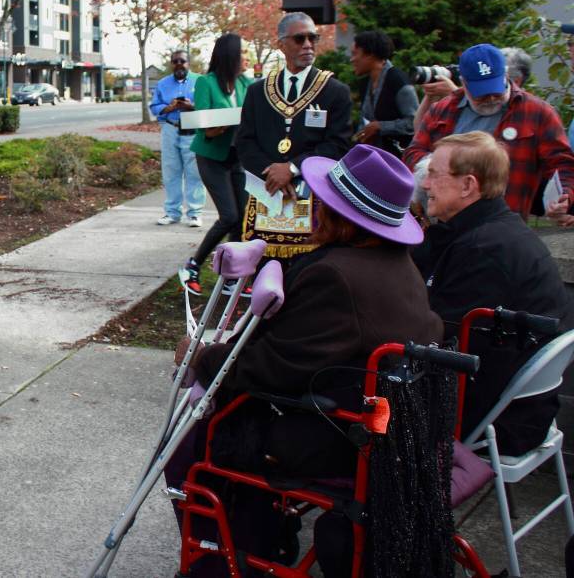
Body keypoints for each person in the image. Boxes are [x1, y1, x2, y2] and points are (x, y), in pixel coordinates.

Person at [179, 144, 442, 576]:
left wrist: (202, 355)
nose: (311, 206)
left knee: (200, 439)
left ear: (338, 214)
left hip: (349, 435)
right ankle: (256, 539)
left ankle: (226, 560)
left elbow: (272, 366)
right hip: (393, 423)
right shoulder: (399, 264)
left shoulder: (333, 275)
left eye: (320, 201)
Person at [412, 131, 574, 455]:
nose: (425, 185)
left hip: (498, 422)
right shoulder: (492, 230)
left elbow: (438, 340)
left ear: (468, 185)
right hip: (520, 408)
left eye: (433, 174)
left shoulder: (484, 251)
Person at [403, 43, 574, 223]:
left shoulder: (538, 113)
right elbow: (413, 152)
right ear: (464, 82)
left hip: (504, 225)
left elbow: (562, 163)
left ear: (506, 75)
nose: (491, 99)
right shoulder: (443, 110)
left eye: (495, 90)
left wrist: (564, 197)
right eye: (482, 94)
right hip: (444, 224)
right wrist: (433, 166)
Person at [235, 12, 353, 260]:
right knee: (265, 269)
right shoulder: (258, 92)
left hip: (313, 194)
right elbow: (244, 142)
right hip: (267, 193)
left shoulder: (335, 91)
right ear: (281, 44)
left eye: (313, 38)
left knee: (309, 271)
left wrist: (292, 168)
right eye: (300, 39)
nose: (308, 45)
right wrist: (272, 172)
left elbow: (338, 145)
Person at [181, 34, 255, 294]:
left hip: (236, 158)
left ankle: (231, 277)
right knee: (229, 216)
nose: (247, 58)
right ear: (230, 56)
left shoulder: (246, 84)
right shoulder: (206, 83)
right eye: (243, 53)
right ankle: (192, 265)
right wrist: (233, 118)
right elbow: (207, 129)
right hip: (211, 156)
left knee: (242, 219)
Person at [150, 49, 204, 227]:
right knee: (171, 172)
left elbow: (207, 106)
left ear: (189, 63)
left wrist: (192, 106)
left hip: (192, 129)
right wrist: (169, 108)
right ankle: (172, 213)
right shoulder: (163, 83)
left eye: (182, 61)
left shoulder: (200, 81)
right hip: (170, 128)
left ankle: (195, 213)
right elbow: (155, 107)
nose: (179, 64)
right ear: (171, 64)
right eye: (175, 62)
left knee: (194, 172)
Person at [350, 30, 419, 155]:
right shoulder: (366, 83)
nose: (351, 59)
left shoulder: (399, 81)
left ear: (370, 54)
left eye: (355, 54)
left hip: (400, 159)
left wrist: (380, 126)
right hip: (375, 157)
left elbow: (413, 122)